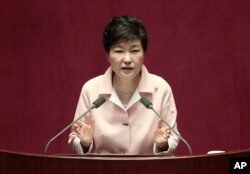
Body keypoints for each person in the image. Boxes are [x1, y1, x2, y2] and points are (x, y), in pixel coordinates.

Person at [68, 15, 180, 155]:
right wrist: (84, 142)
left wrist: (163, 144)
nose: (127, 59)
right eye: (119, 51)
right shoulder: (91, 89)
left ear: (144, 53)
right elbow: (76, 136)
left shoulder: (161, 88)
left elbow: (173, 136)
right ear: (108, 55)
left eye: (134, 51)